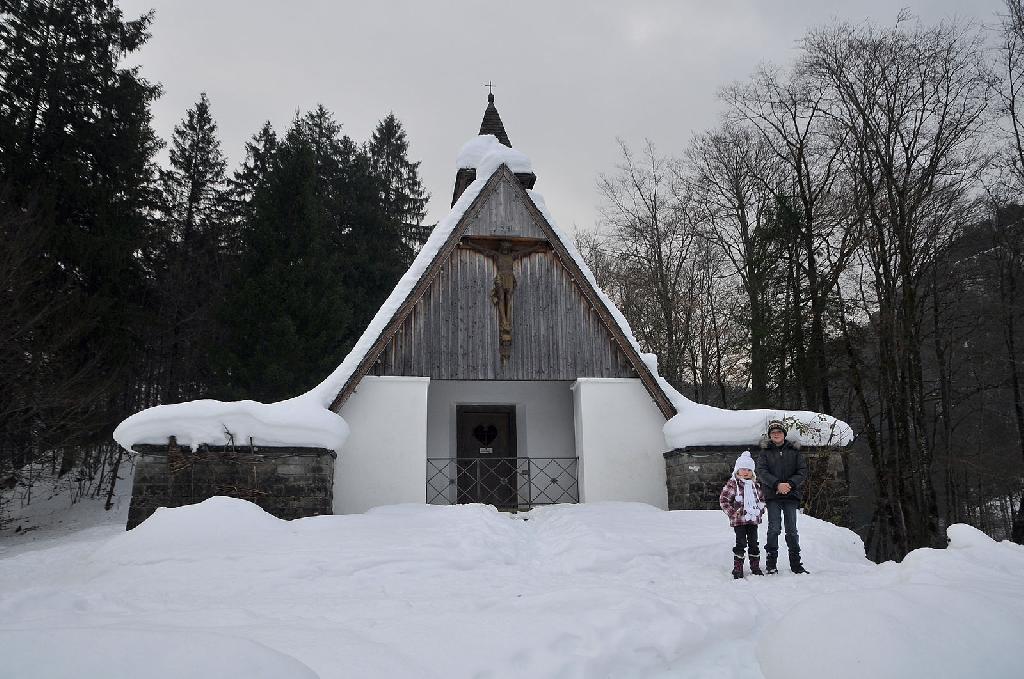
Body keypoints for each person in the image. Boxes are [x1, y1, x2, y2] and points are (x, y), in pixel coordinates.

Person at [755, 419, 809, 574]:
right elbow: (761, 472)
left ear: (784, 434)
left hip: (791, 495)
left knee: (791, 529)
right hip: (773, 495)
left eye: (779, 432)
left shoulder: (794, 451)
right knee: (774, 529)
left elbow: (802, 471)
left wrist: (790, 484)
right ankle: (771, 564)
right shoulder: (765, 453)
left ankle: (796, 564)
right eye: (773, 432)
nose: (776, 434)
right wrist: (777, 484)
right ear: (770, 435)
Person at [718, 450, 766, 579]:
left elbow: (761, 500)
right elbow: (724, 500)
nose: (746, 472)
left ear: (752, 472)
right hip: (739, 520)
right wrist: (733, 513)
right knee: (741, 543)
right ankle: (737, 568)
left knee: (754, 543)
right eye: (743, 469)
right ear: (737, 470)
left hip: (752, 520)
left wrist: (760, 510)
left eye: (749, 470)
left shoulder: (755, 485)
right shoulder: (733, 484)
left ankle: (755, 567)